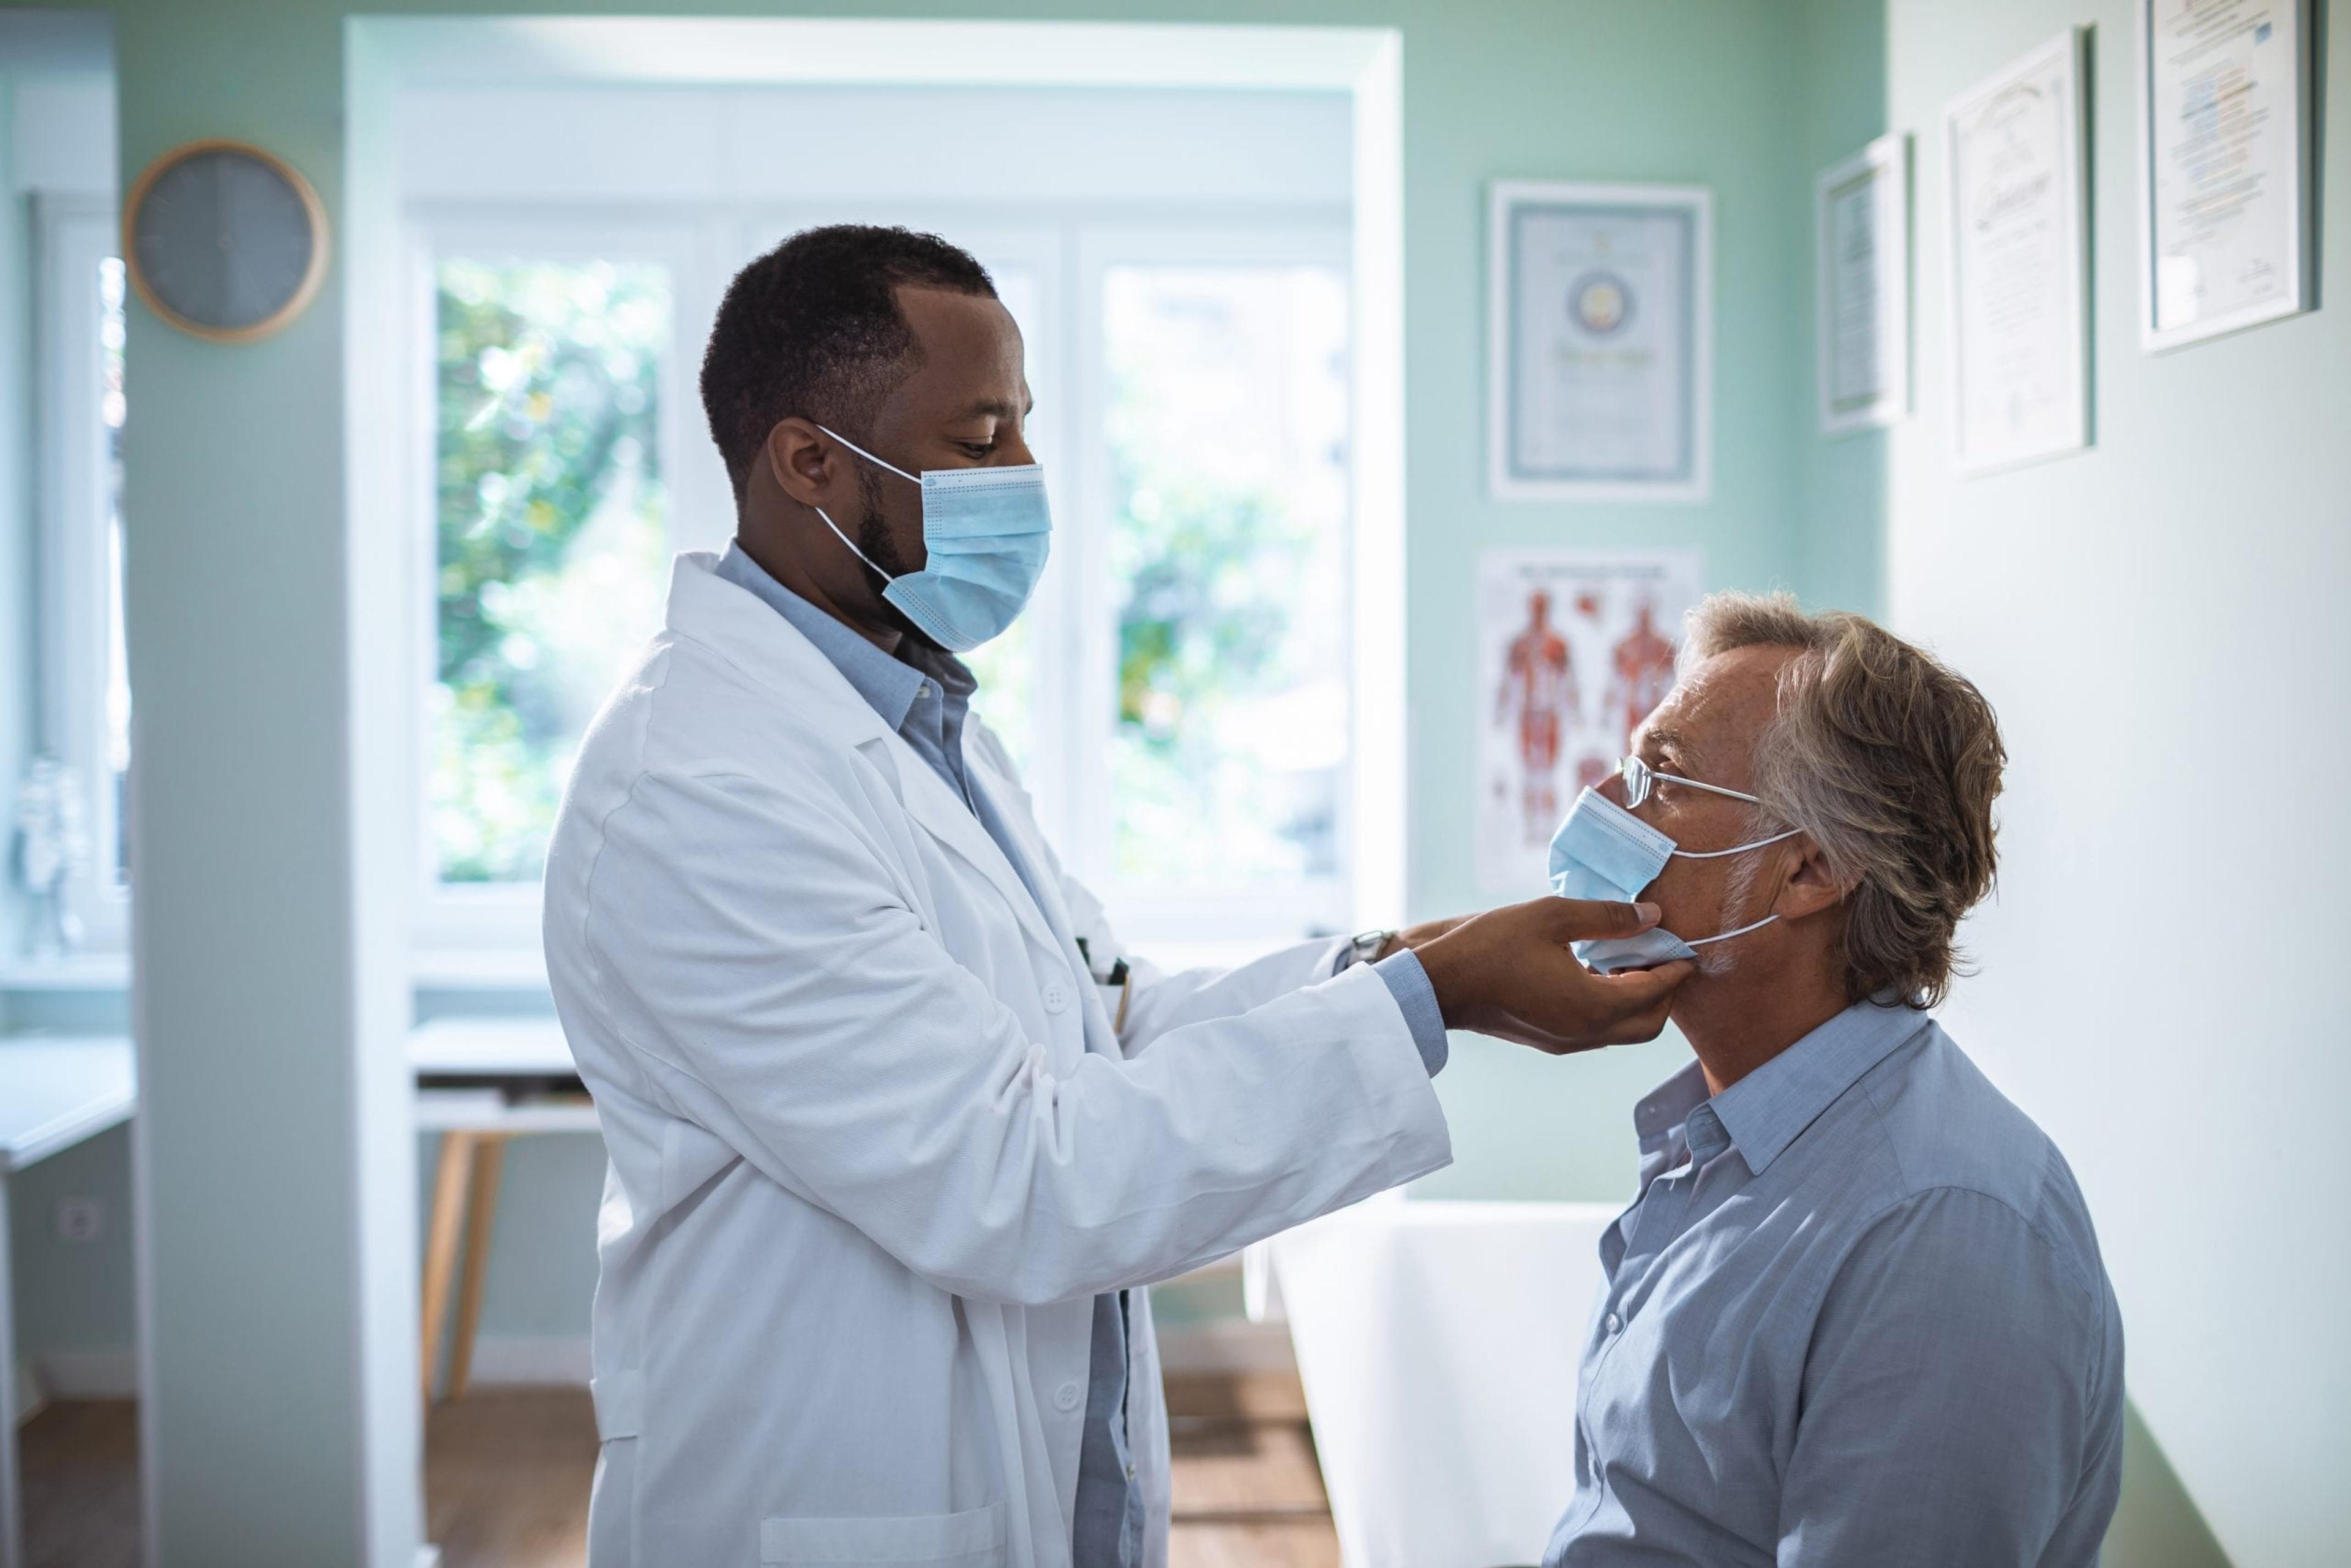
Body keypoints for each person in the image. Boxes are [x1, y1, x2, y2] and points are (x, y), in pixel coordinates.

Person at [541, 224, 1692, 1568]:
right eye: (980, 442)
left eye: (1026, 429)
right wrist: (1443, 993)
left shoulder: (914, 722)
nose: (1027, 478)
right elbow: (1018, 1175)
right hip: (821, 1500)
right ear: (806, 462)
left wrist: (1413, 960)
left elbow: (1104, 1026)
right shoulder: (702, 785)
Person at [1540, 593, 2124, 1566]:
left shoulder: (1943, 1230)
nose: (1602, 800)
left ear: (1811, 868)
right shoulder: (1727, 1143)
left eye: (1662, 777)